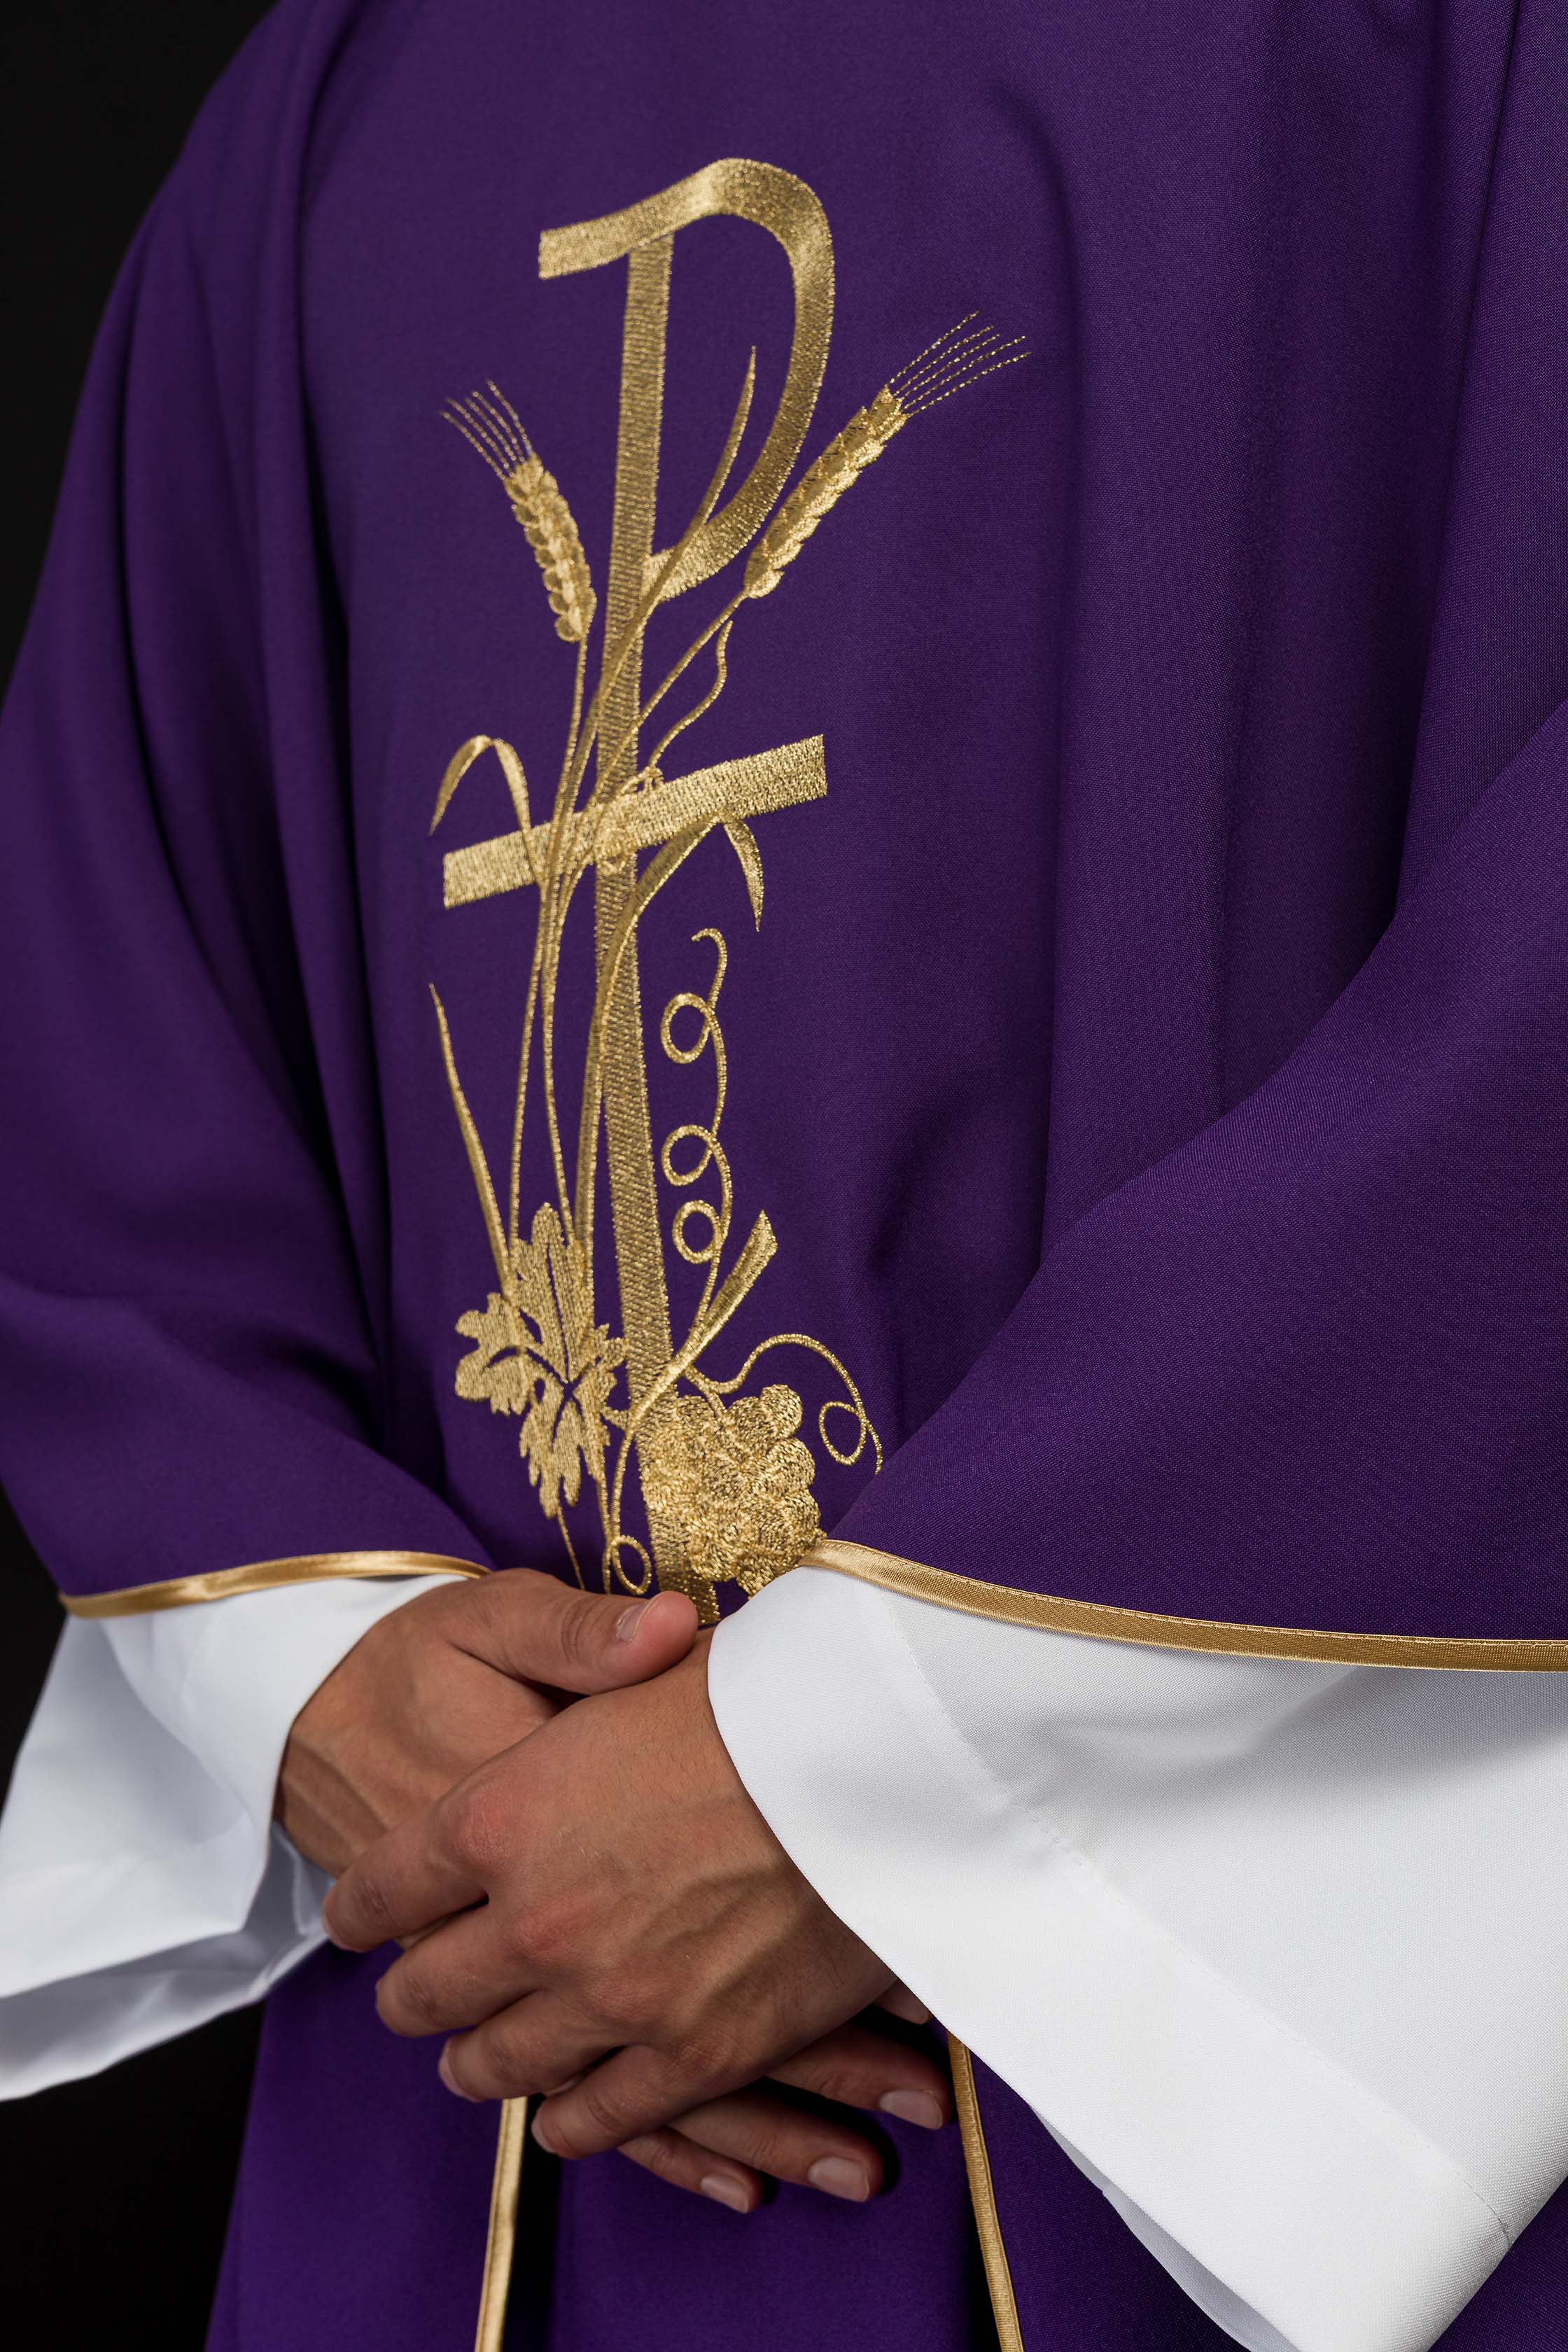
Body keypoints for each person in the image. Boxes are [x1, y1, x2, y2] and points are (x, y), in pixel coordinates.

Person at [5, 3, 1568, 2348]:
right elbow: (107, 956)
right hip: (484, 2014)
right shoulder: (350, 80)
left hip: (1238, 1962)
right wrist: (319, 1668)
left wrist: (878, 1771)